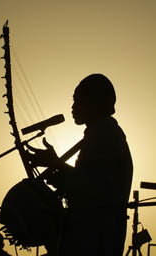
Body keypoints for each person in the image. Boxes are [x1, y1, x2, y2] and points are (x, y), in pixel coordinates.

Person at [26, 74, 133, 256]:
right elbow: (87, 183)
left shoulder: (106, 134)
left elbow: (97, 189)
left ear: (96, 102)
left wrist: (57, 164)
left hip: (96, 238)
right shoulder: (99, 133)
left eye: (78, 101)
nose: (73, 107)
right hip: (93, 235)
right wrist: (59, 174)